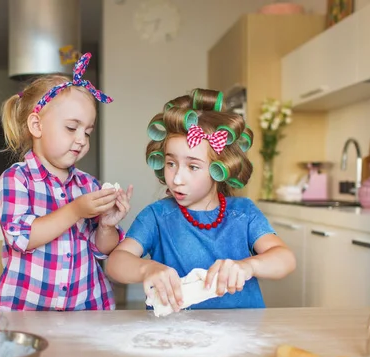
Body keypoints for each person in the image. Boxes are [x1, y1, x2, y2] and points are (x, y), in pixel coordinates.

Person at [106, 88, 295, 313]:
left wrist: (248, 266)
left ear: (220, 169)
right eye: (171, 163)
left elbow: (285, 259)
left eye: (193, 166)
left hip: (243, 333)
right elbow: (115, 262)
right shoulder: (157, 216)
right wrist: (146, 269)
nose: (176, 178)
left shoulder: (244, 213)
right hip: (175, 335)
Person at [0, 53, 133, 311]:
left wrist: (106, 226)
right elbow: (22, 238)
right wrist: (76, 210)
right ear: (36, 125)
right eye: (71, 128)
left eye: (87, 132)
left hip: (86, 308)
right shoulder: (17, 180)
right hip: (28, 311)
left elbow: (103, 250)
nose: (82, 139)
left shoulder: (88, 185)